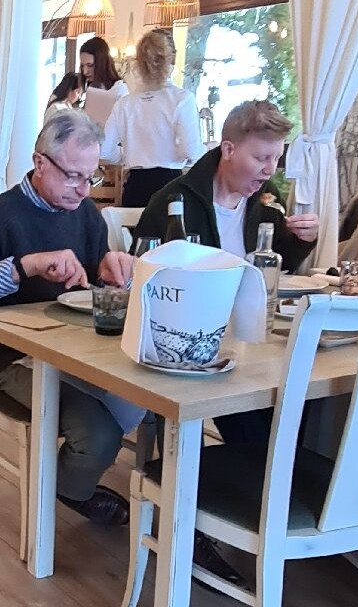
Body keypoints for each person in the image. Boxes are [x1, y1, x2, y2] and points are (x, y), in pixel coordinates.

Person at [0, 110, 138, 525]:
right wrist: (24, 266)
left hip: (78, 351)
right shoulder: (2, 216)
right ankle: (68, 491)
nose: (83, 190)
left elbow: (90, 286)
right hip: (15, 359)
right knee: (98, 435)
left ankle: (122, 496)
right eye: (73, 176)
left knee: (150, 401)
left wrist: (110, 271)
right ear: (40, 163)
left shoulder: (86, 214)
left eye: (91, 177)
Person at [134, 99, 319, 444]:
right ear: (229, 149)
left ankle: (272, 469)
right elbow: (142, 276)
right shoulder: (175, 201)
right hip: (194, 342)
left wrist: (301, 240)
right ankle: (262, 471)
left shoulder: (267, 199)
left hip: (254, 336)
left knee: (306, 392)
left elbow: (278, 267)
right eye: (261, 158)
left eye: (276, 159)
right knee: (259, 410)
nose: (269, 170)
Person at [101, 30, 206, 207]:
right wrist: (207, 149)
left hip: (135, 186)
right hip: (169, 186)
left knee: (134, 225)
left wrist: (128, 155)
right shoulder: (182, 99)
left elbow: (104, 150)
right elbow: (190, 151)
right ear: (171, 59)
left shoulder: (125, 103)